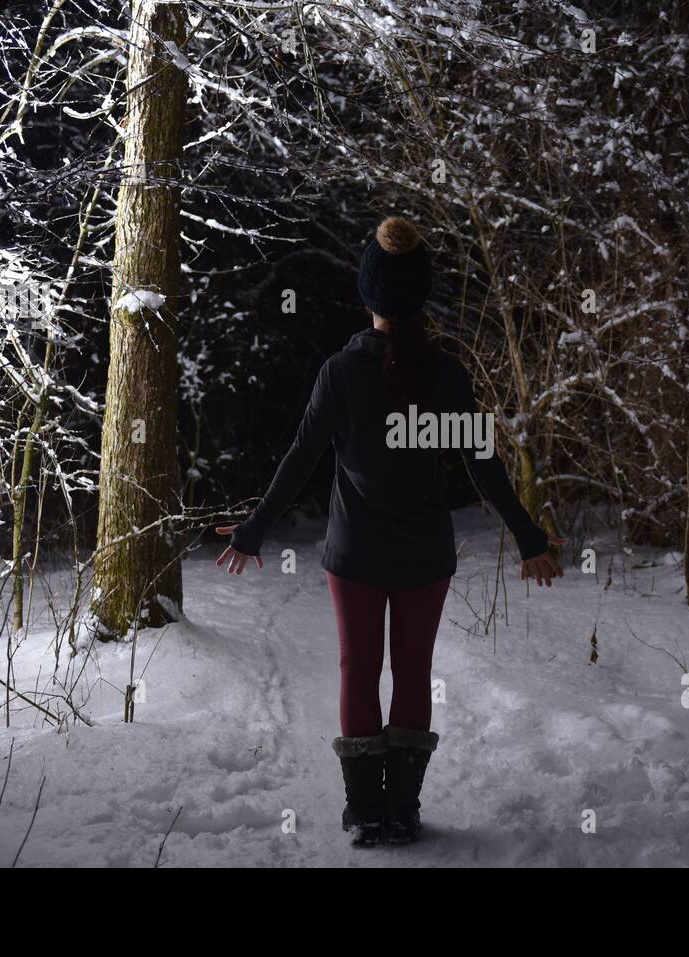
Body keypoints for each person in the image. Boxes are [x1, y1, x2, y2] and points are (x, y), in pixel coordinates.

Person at [216, 215, 563, 847]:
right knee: (411, 671)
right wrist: (529, 538)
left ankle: (366, 813)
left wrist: (252, 530)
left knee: (358, 670)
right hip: (424, 558)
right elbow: (485, 467)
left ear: (368, 294)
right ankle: (402, 810)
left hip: (353, 557)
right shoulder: (447, 375)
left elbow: (299, 458)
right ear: (420, 295)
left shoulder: (339, 374)